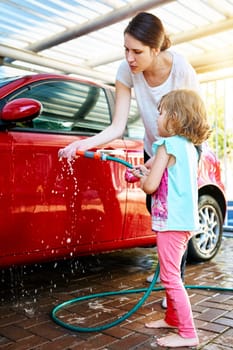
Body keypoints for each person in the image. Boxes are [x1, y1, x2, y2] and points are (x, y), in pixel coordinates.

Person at [58, 12, 200, 302]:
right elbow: (117, 125)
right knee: (156, 208)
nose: (129, 57)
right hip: (154, 146)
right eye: (126, 49)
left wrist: (166, 158)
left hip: (182, 147)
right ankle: (167, 267)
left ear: (156, 49)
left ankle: (174, 286)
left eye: (137, 51)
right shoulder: (126, 71)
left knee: (173, 213)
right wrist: (81, 144)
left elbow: (192, 121)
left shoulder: (180, 67)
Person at [131, 89, 211, 348]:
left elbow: (151, 185)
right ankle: (171, 318)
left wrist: (141, 179)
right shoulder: (187, 147)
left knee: (170, 277)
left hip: (171, 223)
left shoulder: (166, 145)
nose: (157, 118)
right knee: (171, 272)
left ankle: (187, 333)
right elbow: (154, 168)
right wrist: (139, 172)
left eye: (161, 112)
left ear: (175, 117)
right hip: (183, 221)